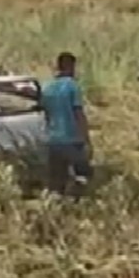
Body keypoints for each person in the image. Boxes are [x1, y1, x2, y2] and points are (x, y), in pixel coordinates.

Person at [40, 51, 92, 195]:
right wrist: (86, 139)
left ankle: (56, 207)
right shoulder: (72, 86)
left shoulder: (47, 87)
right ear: (71, 66)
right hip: (71, 139)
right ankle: (76, 204)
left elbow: (45, 113)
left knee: (56, 181)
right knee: (83, 175)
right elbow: (78, 113)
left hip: (52, 140)